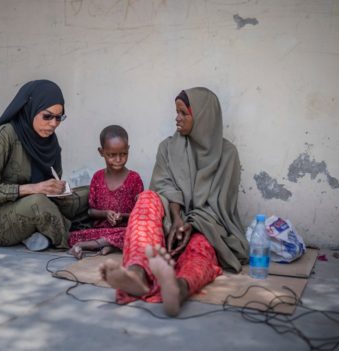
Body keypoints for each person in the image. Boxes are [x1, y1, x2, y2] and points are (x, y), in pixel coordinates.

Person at [99, 87, 249, 316]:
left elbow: (221, 205)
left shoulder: (228, 154)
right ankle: (137, 274)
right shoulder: (168, 147)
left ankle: (178, 288)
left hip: (206, 226)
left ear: (202, 117)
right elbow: (162, 186)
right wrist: (177, 218)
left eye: (183, 113)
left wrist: (191, 225)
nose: (176, 118)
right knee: (147, 198)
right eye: (176, 112)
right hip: (168, 221)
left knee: (201, 248)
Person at [0, 80, 88, 250]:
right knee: (38, 204)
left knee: (90, 193)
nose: (53, 123)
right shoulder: (3, 136)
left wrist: (57, 189)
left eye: (59, 118)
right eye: (47, 116)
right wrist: (33, 188)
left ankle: (37, 232)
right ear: (31, 108)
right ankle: (77, 240)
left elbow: (50, 185)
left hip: (38, 204)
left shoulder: (50, 140)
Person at [68, 125, 144, 259]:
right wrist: (105, 213)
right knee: (72, 236)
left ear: (128, 149)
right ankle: (109, 244)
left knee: (138, 234)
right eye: (112, 155)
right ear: (101, 152)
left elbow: (138, 214)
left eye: (123, 154)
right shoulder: (97, 177)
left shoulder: (134, 179)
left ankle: (87, 245)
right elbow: (91, 212)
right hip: (100, 231)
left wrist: (123, 216)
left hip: (125, 230)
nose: (119, 159)